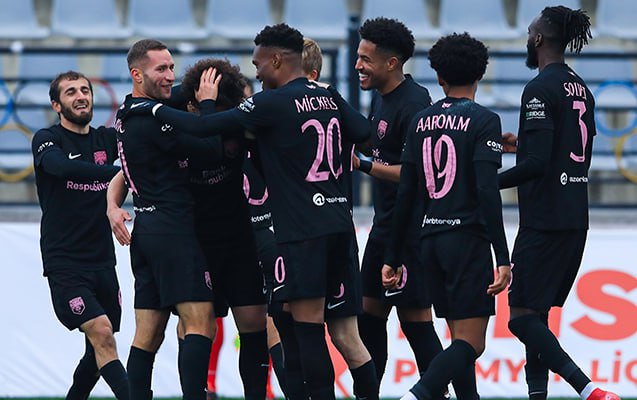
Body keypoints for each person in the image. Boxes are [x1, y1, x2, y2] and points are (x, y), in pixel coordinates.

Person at [125, 23, 375, 400]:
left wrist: (156, 107)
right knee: (337, 334)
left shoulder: (265, 107)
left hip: (291, 231)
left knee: (300, 329)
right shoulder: (327, 96)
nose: (255, 73)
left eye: (257, 64)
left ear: (276, 60)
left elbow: (206, 128)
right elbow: (365, 133)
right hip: (336, 225)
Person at [498, 6, 620, 400]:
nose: (527, 37)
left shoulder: (539, 88)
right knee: (537, 313)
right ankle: (538, 395)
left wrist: (485, 184)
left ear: (538, 39)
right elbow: (570, 150)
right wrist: (524, 144)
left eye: (529, 31)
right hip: (574, 216)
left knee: (520, 318)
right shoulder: (581, 88)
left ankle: (588, 389)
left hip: (544, 220)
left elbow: (536, 165)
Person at [382, 32, 511, 400]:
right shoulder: (485, 120)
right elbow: (487, 191)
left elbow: (406, 192)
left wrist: (392, 257)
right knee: (472, 343)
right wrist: (502, 258)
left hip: (430, 241)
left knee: (458, 338)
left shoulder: (421, 121)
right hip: (466, 239)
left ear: (439, 76)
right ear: (480, 74)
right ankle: (417, 394)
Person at [106, 39, 223, 400]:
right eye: (161, 69)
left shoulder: (131, 112)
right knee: (200, 321)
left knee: (149, 333)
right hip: (173, 232)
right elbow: (211, 149)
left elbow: (124, 171)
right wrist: (208, 105)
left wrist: (111, 204)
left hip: (148, 231)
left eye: (172, 67)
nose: (170, 76)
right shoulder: (153, 120)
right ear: (136, 74)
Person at [352, 16, 443, 388]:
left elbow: (415, 173)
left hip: (409, 229)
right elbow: (376, 143)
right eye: (358, 57)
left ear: (391, 63)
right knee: (369, 316)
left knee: (416, 321)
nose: (357, 65)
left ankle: (438, 392)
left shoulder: (416, 103)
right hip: (383, 225)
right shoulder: (380, 96)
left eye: (365, 59)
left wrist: (364, 165)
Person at [31, 70, 129, 400]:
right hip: (65, 262)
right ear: (57, 105)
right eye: (71, 92)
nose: (81, 96)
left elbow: (141, 137)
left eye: (85, 90)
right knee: (101, 332)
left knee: (98, 348)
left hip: (102, 259)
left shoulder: (106, 140)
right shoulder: (47, 138)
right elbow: (61, 168)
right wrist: (119, 173)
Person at [179, 58, 269, 400]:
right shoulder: (180, 128)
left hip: (238, 239)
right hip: (195, 243)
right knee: (195, 326)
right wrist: (113, 203)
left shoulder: (239, 128)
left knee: (255, 323)